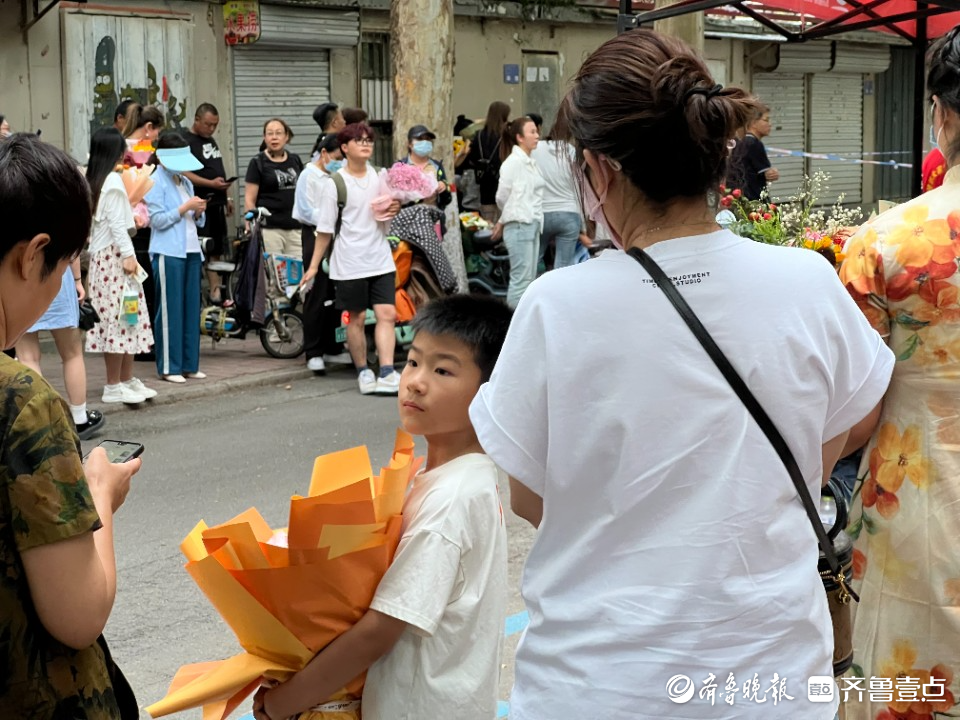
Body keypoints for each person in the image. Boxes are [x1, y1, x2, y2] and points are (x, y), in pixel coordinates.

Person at [468, 29, 895, 720]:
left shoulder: (558, 303)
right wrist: (770, 483)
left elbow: (529, 496)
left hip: (597, 684)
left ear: (599, 169)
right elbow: (861, 415)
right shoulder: (805, 282)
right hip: (771, 678)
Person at [252, 294, 511, 720]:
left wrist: (287, 701)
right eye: (413, 362)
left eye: (443, 369)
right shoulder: (455, 477)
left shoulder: (451, 499)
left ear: (491, 393)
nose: (416, 381)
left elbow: (381, 630)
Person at [837, 26, 960, 719]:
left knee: (905, 676)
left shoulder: (885, 243)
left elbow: (854, 407)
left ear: (941, 114)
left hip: (918, 490)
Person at [0, 131, 141, 718]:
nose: (60, 282)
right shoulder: (21, 402)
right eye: (62, 266)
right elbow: (79, 615)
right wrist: (100, 495)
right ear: (34, 254)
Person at [299, 123, 400, 396]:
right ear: (344, 148)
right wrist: (312, 267)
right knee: (354, 318)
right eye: (359, 140)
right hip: (350, 261)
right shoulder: (336, 183)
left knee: (386, 314)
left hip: (380, 257)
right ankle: (363, 371)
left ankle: (388, 372)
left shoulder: (382, 176)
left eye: (369, 140)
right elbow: (325, 230)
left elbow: (391, 209)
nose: (366, 144)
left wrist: (395, 206)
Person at [84, 127, 157, 404]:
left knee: (127, 319)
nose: (126, 153)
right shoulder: (112, 183)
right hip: (116, 260)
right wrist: (129, 255)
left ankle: (125, 380)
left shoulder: (96, 181)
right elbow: (116, 226)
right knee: (121, 320)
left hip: (108, 260)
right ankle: (114, 385)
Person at [14, 253, 106, 435]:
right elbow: (73, 249)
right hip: (59, 276)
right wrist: (78, 280)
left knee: (27, 357)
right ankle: (80, 419)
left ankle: (40, 422)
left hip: (22, 280)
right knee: (72, 354)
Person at [145, 133, 207, 383]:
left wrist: (199, 211)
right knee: (170, 311)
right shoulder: (154, 181)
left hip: (191, 250)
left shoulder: (184, 181)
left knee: (192, 309)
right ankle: (170, 367)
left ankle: (190, 364)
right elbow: (156, 220)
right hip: (167, 251)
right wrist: (185, 208)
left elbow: (196, 220)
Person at [292, 132, 352, 373]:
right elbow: (305, 211)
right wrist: (330, 217)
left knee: (336, 294)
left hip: (339, 236)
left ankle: (334, 347)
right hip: (315, 235)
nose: (341, 162)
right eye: (337, 157)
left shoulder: (339, 176)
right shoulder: (309, 175)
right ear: (325, 153)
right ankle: (313, 351)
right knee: (316, 292)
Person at [122, 103, 164, 362]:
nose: (157, 137)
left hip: (130, 227)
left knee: (132, 289)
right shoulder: (138, 151)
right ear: (148, 128)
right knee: (140, 289)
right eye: (157, 130)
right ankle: (138, 341)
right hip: (136, 228)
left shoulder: (123, 147)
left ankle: (132, 340)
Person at [183, 103, 234, 304]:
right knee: (204, 247)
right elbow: (185, 173)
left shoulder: (211, 140)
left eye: (215, 125)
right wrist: (209, 183)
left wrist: (227, 194)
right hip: (200, 204)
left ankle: (216, 291)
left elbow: (217, 168)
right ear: (196, 120)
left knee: (218, 248)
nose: (211, 129)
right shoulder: (186, 141)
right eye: (208, 124)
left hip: (218, 201)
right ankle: (202, 293)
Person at [493, 116, 544, 308]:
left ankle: (522, 325)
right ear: (519, 137)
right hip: (519, 224)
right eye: (532, 132)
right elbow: (501, 196)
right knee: (521, 280)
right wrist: (510, 213)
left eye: (536, 131)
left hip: (532, 223)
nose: (537, 135)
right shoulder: (513, 163)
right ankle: (511, 324)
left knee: (529, 280)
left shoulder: (531, 162)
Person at [531, 126, 591, 270]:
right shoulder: (570, 150)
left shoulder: (535, 149)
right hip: (569, 214)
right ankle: (560, 291)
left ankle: (534, 289)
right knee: (564, 266)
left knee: (534, 261)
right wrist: (582, 226)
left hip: (541, 214)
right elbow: (578, 188)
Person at [243, 118, 303, 259]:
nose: (274, 137)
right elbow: (249, 198)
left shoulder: (295, 160)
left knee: (297, 274)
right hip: (270, 230)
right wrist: (249, 224)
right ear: (265, 137)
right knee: (275, 276)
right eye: (270, 133)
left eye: (278, 133)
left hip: (295, 228)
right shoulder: (257, 163)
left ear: (286, 136)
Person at [466, 101, 510, 224]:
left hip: (484, 184)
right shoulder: (506, 136)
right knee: (503, 223)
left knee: (487, 223)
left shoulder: (479, 135)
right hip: (502, 182)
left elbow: (472, 158)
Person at [728, 102, 779, 200]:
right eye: (766, 120)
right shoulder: (753, 144)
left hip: (740, 197)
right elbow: (768, 174)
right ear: (753, 122)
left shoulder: (743, 142)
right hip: (753, 199)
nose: (770, 124)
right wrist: (772, 173)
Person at [400, 124, 453, 212]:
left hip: (433, 219)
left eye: (428, 139)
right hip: (408, 220)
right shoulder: (401, 167)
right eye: (420, 139)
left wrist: (444, 188)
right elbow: (396, 199)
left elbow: (447, 200)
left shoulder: (436, 166)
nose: (424, 142)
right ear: (409, 144)